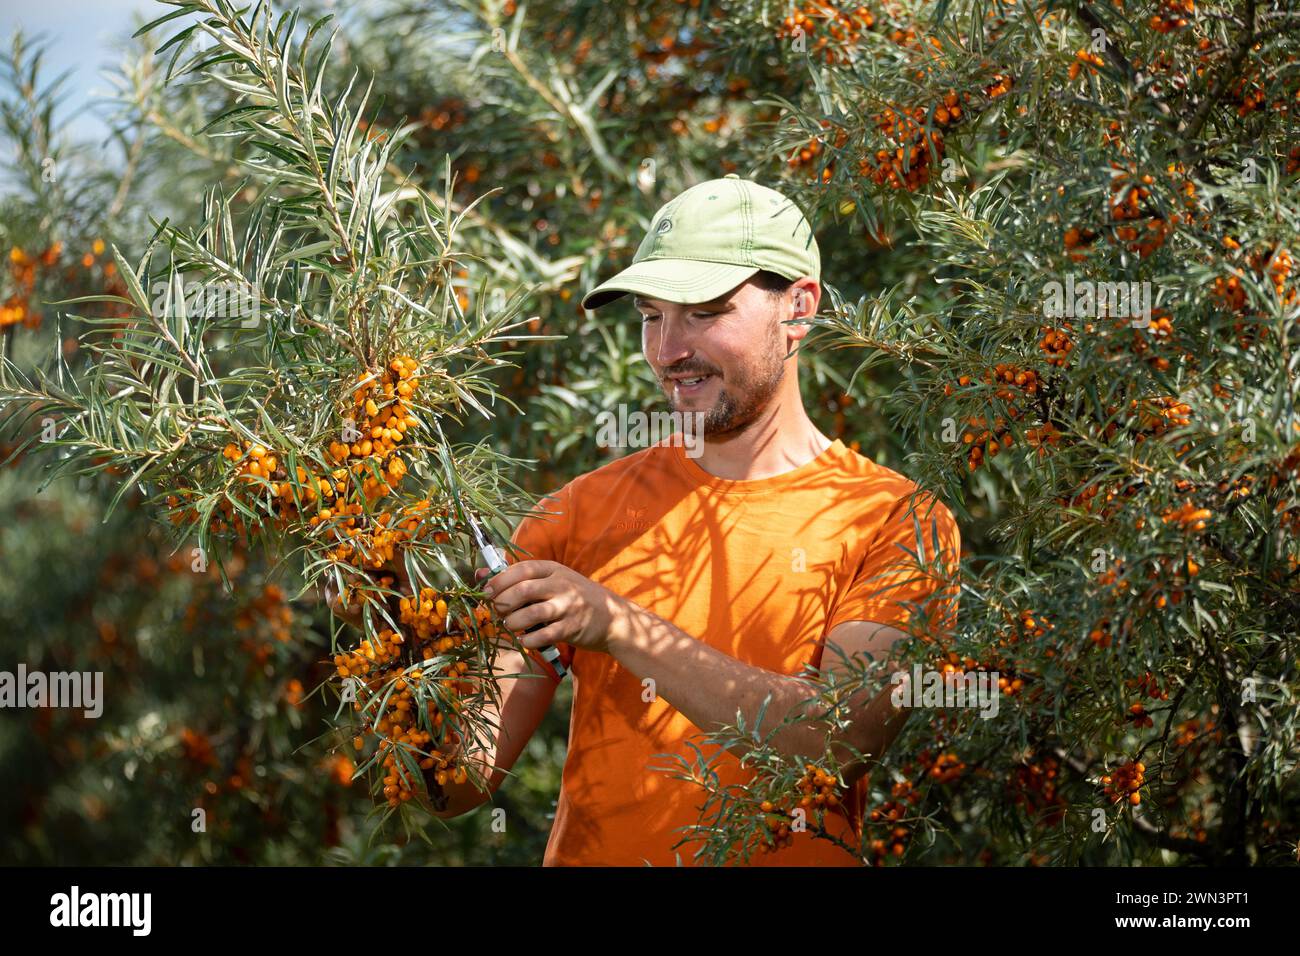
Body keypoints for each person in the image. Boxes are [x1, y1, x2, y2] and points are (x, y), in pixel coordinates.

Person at [341, 174, 961, 866]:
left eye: (702, 312)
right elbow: (457, 783)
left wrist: (616, 625)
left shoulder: (896, 520)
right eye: (649, 317)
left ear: (798, 307)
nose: (667, 351)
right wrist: (385, 608)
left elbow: (836, 739)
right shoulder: (578, 513)